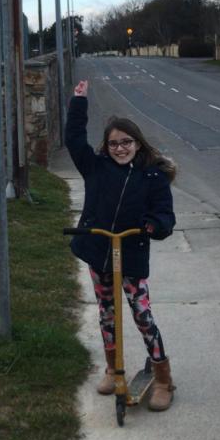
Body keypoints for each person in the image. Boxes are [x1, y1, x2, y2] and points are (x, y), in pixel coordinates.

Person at [65, 79, 177, 411]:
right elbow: (74, 140)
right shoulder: (96, 168)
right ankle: (113, 369)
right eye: (113, 143)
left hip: (131, 255)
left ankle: (163, 379)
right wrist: (79, 102)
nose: (119, 148)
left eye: (126, 142)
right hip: (98, 251)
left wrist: (153, 225)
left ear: (137, 144)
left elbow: (165, 215)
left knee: (142, 315)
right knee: (106, 314)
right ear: (106, 146)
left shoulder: (153, 177)